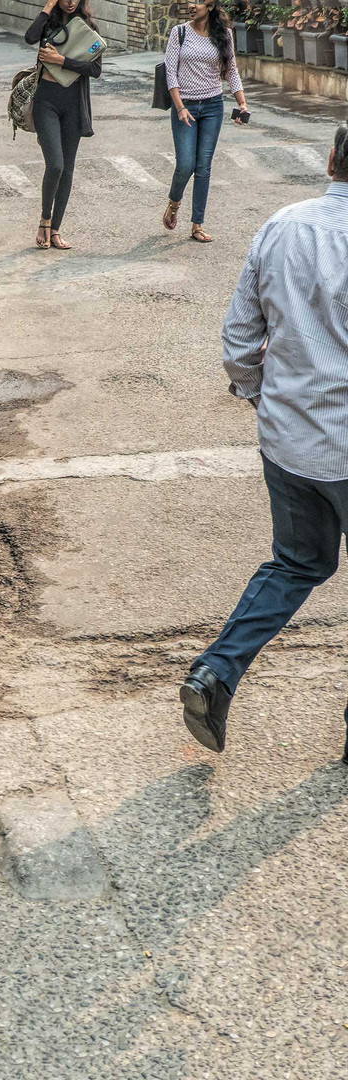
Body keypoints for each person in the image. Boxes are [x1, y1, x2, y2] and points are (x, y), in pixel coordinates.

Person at [181, 124, 348, 755]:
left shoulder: (282, 225)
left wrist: (261, 397)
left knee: (297, 562)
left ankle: (216, 672)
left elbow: (239, 339)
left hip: (289, 439)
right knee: (299, 563)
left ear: (331, 159)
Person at [162, 0, 249, 243]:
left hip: (212, 106)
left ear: (210, 6)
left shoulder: (225, 35)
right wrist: (179, 107)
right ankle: (174, 202)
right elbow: (171, 72)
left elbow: (231, 70)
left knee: (204, 167)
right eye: (190, 1)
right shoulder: (179, 32)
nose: (192, 5)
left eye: (198, 1)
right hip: (185, 106)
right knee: (185, 164)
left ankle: (197, 224)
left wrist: (242, 103)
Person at [25, 0, 103, 251]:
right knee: (55, 164)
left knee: (67, 169)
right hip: (46, 100)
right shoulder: (48, 23)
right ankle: (44, 220)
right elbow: (29, 37)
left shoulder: (89, 28)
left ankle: (56, 229)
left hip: (73, 104)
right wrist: (47, 7)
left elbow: (95, 69)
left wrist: (62, 60)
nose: (70, 2)